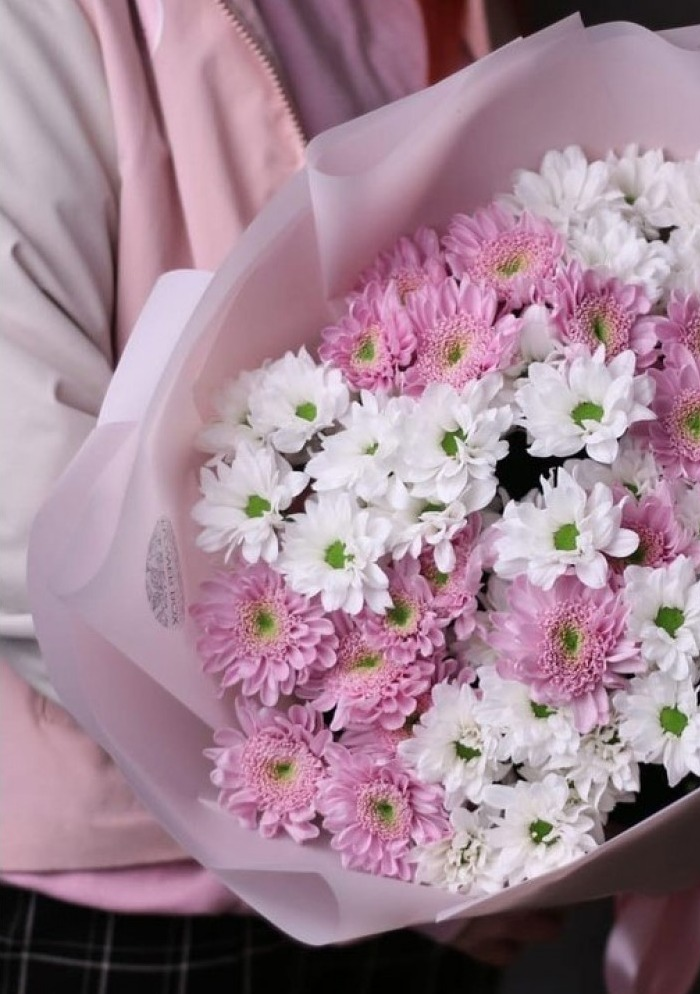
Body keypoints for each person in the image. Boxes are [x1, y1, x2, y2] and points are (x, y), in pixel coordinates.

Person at [0, 2, 559, 991]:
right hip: (141, 897)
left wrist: (497, 804)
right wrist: (386, 821)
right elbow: (31, 520)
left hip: (418, 867)